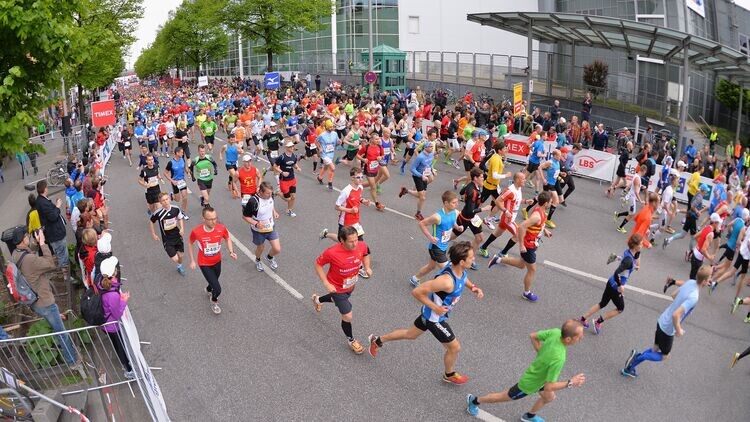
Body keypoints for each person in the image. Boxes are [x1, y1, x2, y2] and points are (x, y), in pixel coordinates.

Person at [369, 242, 483, 385]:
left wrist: (473, 287)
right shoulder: (446, 282)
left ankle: (377, 340)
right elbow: (417, 292)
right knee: (454, 348)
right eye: (471, 257)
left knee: (410, 334)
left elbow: (463, 277)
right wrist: (435, 308)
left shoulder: (458, 269)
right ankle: (449, 374)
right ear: (461, 261)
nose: (473, 259)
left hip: (429, 314)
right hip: (434, 319)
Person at [466, 320, 586, 422]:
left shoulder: (556, 332)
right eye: (580, 336)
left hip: (543, 379)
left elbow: (533, 336)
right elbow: (549, 386)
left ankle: (529, 416)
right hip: (530, 384)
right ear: (568, 339)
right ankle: (474, 401)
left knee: (549, 397)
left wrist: (541, 355)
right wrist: (571, 382)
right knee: (500, 397)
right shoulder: (559, 358)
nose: (582, 338)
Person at [621, 266, 711, 378]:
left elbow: (673, 295)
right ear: (704, 281)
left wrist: (681, 305)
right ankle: (637, 357)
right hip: (668, 329)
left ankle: (629, 367)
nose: (710, 280)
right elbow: (676, 315)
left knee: (655, 349)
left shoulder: (690, 282)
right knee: (665, 356)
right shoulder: (694, 297)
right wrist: (679, 330)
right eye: (709, 278)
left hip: (662, 319)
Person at [10, 226, 78, 366]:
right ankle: (72, 361)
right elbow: (50, 263)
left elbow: (29, 257)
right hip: (45, 302)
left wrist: (35, 243)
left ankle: (55, 316)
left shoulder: (16, 254)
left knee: (55, 321)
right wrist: (42, 243)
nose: (28, 237)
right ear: (23, 239)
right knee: (61, 333)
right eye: (27, 236)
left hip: (35, 301)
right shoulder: (29, 260)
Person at [311, 226, 372, 354]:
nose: (355, 244)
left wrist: (367, 267)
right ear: (342, 241)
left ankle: (317, 300)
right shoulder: (332, 252)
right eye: (351, 241)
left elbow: (366, 253)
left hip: (350, 285)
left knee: (336, 300)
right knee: (347, 315)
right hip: (336, 287)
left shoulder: (361, 245)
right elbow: (318, 264)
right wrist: (326, 283)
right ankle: (351, 340)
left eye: (356, 240)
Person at [488, 191, 553, 302]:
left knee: (521, 264)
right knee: (532, 270)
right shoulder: (537, 216)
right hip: (528, 246)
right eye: (550, 202)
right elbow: (522, 227)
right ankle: (526, 293)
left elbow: (536, 224)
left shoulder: (540, 210)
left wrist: (544, 230)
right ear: (546, 203)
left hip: (533, 243)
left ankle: (497, 259)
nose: (551, 204)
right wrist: (522, 245)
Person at [580, 234, 642, 334]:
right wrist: (620, 286)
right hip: (615, 287)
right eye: (641, 244)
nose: (642, 245)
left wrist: (637, 257)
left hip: (610, 282)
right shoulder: (629, 261)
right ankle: (598, 322)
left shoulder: (628, 252)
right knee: (620, 308)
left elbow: (637, 265)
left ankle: (583, 319)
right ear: (635, 246)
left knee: (602, 303)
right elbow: (617, 272)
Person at [187, 206, 237, 315]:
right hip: (204, 263)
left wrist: (231, 251)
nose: (214, 221)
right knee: (217, 289)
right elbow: (190, 243)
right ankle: (214, 301)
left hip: (217, 261)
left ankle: (209, 289)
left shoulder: (221, 228)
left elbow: (227, 238)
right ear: (203, 219)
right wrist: (192, 260)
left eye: (215, 218)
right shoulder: (196, 232)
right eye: (210, 219)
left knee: (214, 280)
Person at [409, 191, 463, 287]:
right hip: (436, 247)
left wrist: (457, 227)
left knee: (431, 266)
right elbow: (421, 224)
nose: (457, 204)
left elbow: (452, 221)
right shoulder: (437, 217)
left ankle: (415, 279)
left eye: (457, 202)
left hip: (444, 245)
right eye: (454, 203)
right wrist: (430, 237)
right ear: (446, 203)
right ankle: (434, 290)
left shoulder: (455, 212)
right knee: (448, 272)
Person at [96, 256, 134, 379]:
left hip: (106, 324)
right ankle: (128, 369)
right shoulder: (112, 294)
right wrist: (124, 300)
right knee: (120, 347)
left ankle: (127, 366)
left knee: (117, 344)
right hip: (112, 326)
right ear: (114, 273)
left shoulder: (101, 281)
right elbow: (117, 313)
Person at [242, 182, 281, 272]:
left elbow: (271, 204)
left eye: (271, 193)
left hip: (270, 227)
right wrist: (256, 223)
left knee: (277, 249)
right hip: (258, 230)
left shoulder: (270, 196)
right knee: (261, 247)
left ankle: (269, 257)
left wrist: (274, 212)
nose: (270, 195)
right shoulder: (253, 201)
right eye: (268, 193)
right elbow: (245, 217)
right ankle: (258, 260)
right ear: (261, 192)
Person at [35, 180, 69, 279]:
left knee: (60, 254)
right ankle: (66, 277)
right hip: (56, 234)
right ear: (45, 189)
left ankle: (64, 273)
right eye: (47, 187)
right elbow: (53, 216)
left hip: (54, 233)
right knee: (63, 255)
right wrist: (57, 206)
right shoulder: (43, 203)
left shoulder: (40, 201)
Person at [399, 138, 437, 221]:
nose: (432, 148)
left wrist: (432, 170)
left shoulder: (431, 154)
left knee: (420, 196)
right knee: (422, 197)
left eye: (432, 147)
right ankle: (418, 213)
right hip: (418, 176)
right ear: (425, 148)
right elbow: (412, 169)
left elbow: (429, 164)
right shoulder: (420, 157)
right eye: (430, 147)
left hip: (425, 175)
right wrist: (421, 176)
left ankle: (406, 191)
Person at [149, 192, 186, 276]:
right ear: (160, 202)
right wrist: (153, 234)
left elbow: (180, 218)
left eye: (167, 199)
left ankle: (180, 266)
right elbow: (151, 221)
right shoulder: (158, 213)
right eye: (163, 200)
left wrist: (182, 228)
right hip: (167, 239)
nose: (165, 202)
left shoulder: (175, 209)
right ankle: (178, 263)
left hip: (177, 236)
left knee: (180, 256)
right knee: (175, 259)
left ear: (169, 199)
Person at [273, 141, 302, 217]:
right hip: (284, 181)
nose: (292, 148)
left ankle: (289, 210)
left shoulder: (294, 156)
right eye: (290, 147)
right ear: (287, 148)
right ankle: (278, 192)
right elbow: (275, 166)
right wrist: (282, 172)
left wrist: (297, 168)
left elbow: (294, 164)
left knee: (293, 197)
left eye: (293, 146)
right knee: (287, 199)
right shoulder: (282, 157)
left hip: (292, 179)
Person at [164, 146, 189, 220]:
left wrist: (188, 172)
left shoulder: (182, 159)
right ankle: (172, 196)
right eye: (181, 152)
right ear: (177, 153)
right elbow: (165, 173)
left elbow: (184, 167)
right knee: (177, 199)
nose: (182, 153)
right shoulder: (171, 163)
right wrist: (172, 181)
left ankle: (183, 212)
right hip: (175, 182)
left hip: (182, 181)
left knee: (185, 197)